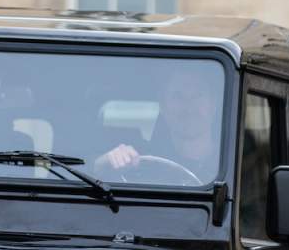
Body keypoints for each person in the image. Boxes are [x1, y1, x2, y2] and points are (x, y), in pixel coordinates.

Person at [95, 64, 224, 183]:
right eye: (177, 96)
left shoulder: (230, 161)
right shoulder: (142, 161)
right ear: (163, 106)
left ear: (213, 105)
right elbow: (88, 171)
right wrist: (107, 162)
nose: (188, 107)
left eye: (198, 95)